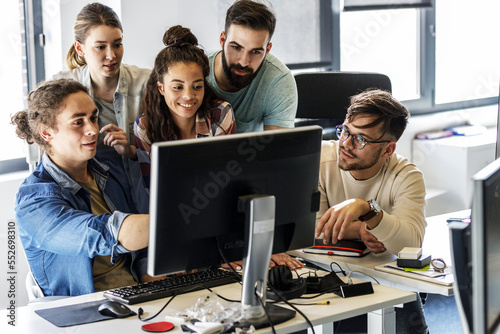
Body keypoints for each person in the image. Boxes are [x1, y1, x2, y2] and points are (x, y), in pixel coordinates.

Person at [12, 79, 151, 296]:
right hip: (83, 311)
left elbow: (140, 242)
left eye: (93, 118)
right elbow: (103, 233)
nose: (93, 130)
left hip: (136, 294)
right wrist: (175, 221)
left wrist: (147, 273)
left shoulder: (109, 166)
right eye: (78, 122)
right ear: (47, 132)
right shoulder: (33, 201)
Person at [315, 89, 428, 333]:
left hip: (383, 275)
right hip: (322, 267)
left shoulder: (406, 176)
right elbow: (310, 229)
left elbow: (411, 244)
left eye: (361, 139)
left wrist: (368, 210)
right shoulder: (319, 159)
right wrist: (359, 230)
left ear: (388, 150)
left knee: (408, 318)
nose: (345, 144)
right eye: (345, 131)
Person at [53, 2, 150, 213]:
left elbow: (166, 146)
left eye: (117, 44)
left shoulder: (146, 83)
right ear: (80, 48)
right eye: (100, 47)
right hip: (93, 204)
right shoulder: (62, 90)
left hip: (145, 197)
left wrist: (132, 151)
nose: (111, 55)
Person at [134, 25, 236, 191]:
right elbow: (152, 188)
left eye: (197, 87)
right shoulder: (145, 127)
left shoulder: (220, 114)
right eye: (177, 87)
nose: (189, 96)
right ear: (161, 88)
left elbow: (225, 180)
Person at [206, 0, 297, 133]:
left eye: (255, 52)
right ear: (222, 40)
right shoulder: (196, 69)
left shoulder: (279, 81)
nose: (243, 62)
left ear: (267, 50)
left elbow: (278, 149)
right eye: (236, 47)